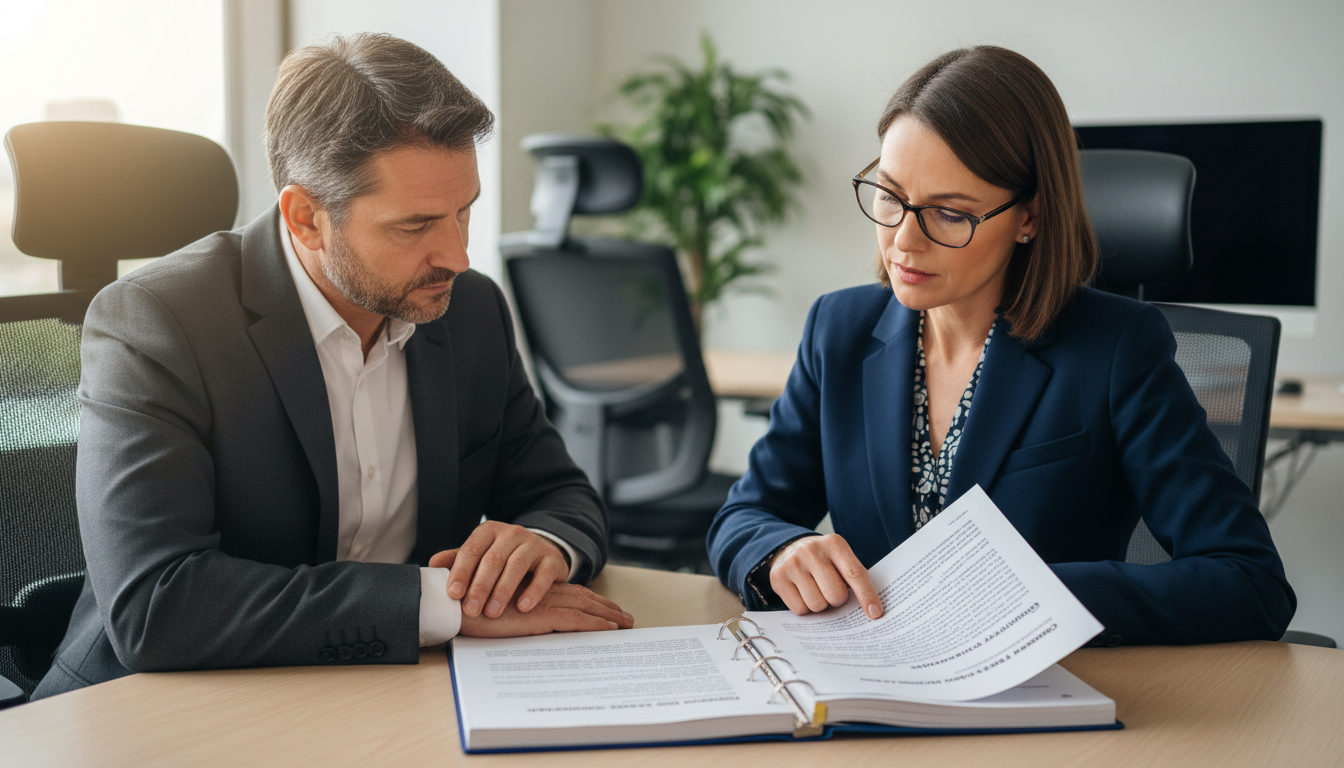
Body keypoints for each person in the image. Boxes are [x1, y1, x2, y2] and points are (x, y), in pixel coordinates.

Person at [33, 33, 633, 700]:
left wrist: (544, 544)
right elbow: (159, 607)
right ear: (306, 218)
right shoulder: (156, 325)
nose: (457, 255)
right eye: (415, 226)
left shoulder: (469, 311)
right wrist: (435, 603)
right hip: (152, 710)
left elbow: (563, 495)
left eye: (464, 212)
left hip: (378, 694)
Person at [706, 46, 1295, 645]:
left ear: (1029, 218)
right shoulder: (839, 328)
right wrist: (781, 550)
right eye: (889, 196)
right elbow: (743, 516)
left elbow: (1248, 579)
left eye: (948, 214)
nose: (904, 240)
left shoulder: (1118, 350)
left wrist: (1029, 595)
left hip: (1036, 699)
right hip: (875, 683)